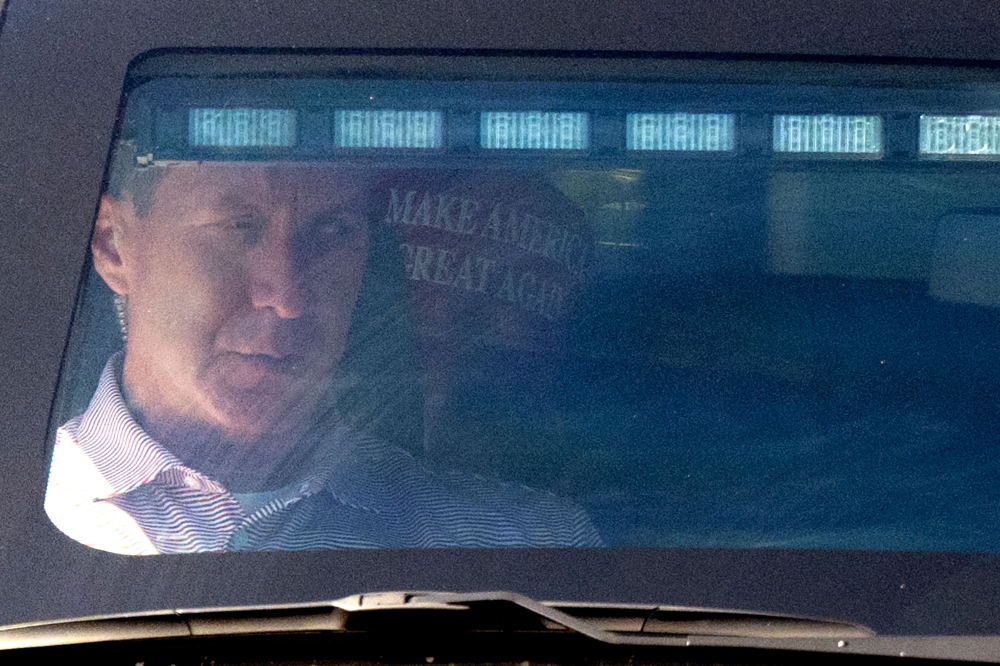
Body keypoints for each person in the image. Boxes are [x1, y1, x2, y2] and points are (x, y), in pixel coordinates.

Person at [44, 150, 602, 555]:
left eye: (332, 232)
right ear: (114, 246)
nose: (286, 296)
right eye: (240, 226)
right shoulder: (24, 523)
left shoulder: (523, 544)